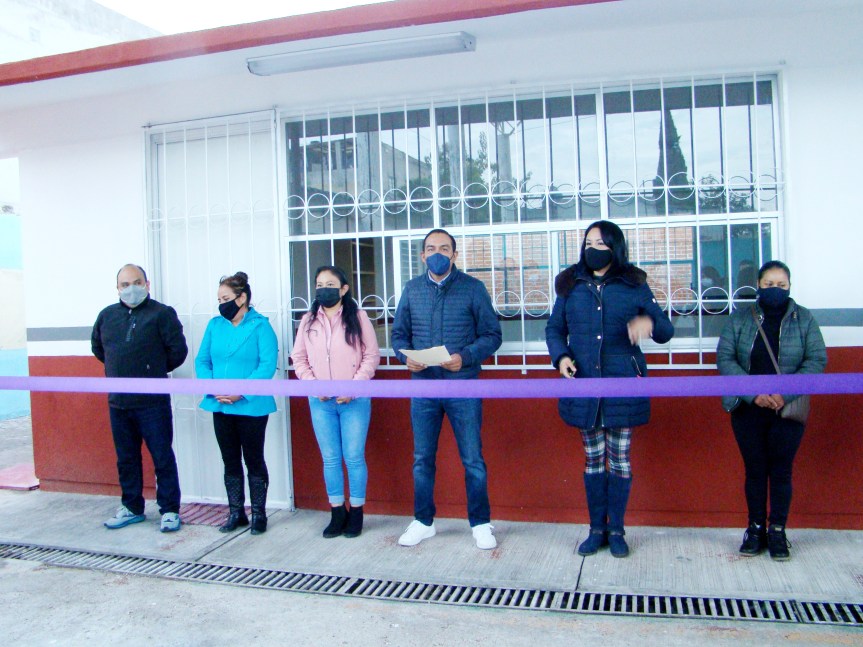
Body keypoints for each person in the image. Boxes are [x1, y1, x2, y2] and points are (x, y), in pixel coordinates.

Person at [545, 220, 674, 558]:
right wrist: (560, 358)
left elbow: (665, 328)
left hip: (622, 385)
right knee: (593, 459)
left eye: (601, 243)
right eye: (589, 241)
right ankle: (596, 529)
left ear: (615, 247)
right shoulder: (570, 283)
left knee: (618, 460)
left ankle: (616, 529)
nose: (593, 248)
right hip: (584, 384)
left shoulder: (633, 283)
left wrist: (648, 323)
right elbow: (554, 329)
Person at [391, 228, 502, 550]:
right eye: (430, 248)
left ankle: (480, 524)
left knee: (472, 459)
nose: (437, 253)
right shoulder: (412, 290)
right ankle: (423, 522)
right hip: (423, 385)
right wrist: (405, 357)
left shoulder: (473, 288)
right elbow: (399, 335)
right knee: (422, 458)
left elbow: (492, 334)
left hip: (461, 384)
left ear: (454, 254)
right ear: (422, 255)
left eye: (444, 248)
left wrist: (465, 357)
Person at [717, 260, 826, 561]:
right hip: (747, 409)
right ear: (759, 286)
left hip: (786, 409)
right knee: (755, 470)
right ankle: (754, 530)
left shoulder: (804, 320)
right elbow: (725, 359)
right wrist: (755, 394)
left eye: (781, 285)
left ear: (789, 286)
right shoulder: (739, 319)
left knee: (781, 471)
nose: (774, 290)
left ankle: (777, 530)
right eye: (768, 284)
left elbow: (816, 361)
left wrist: (783, 393)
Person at [92, 264, 187, 532]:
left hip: (152, 403)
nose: (131, 289)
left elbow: (177, 352)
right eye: (125, 284)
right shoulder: (107, 316)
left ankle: (169, 510)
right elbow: (98, 348)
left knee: (162, 457)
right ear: (117, 288)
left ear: (147, 284)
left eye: (136, 282)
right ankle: (132, 507)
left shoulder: (162, 314)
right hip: (119, 403)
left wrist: (150, 370)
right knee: (126, 458)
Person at [290, 266, 380, 538]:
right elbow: (299, 357)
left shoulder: (358, 317)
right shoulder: (308, 320)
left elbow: (371, 355)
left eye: (330, 284)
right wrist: (312, 385)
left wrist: (354, 387)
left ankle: (357, 513)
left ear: (343, 289)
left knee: (353, 457)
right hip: (320, 401)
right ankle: (337, 511)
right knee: (330, 459)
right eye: (319, 284)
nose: (323, 289)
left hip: (354, 400)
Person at [195, 272, 279, 535]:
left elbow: (267, 366)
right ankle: (236, 512)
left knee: (253, 459)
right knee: (229, 460)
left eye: (227, 298)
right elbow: (202, 360)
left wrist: (240, 391)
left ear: (242, 298)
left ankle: (259, 514)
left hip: (251, 405)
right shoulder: (214, 325)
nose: (222, 304)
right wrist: (213, 387)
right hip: (220, 404)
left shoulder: (261, 326)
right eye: (219, 299)